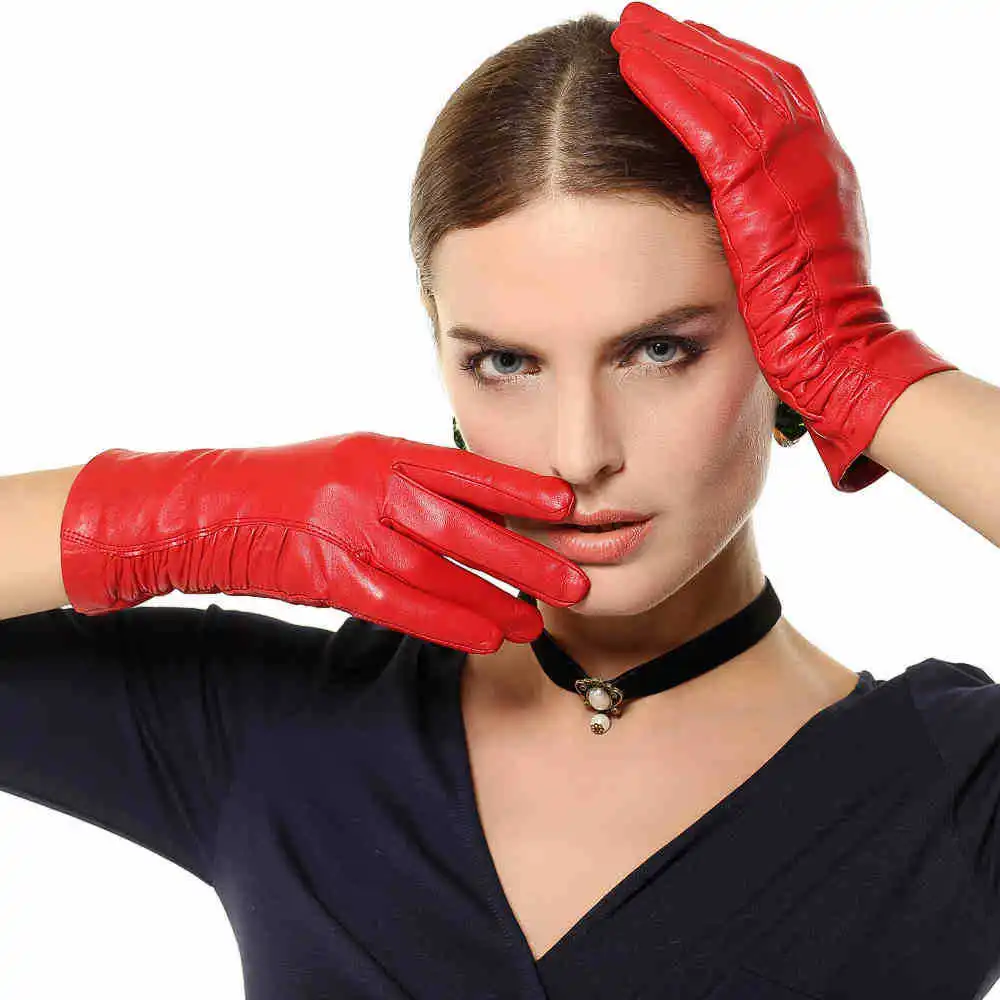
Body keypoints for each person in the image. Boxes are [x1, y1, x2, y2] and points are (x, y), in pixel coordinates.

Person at [2, 4, 999, 998]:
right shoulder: (284, 725)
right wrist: (186, 517)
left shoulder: (950, 783)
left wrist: (860, 364)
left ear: (781, 343)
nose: (581, 453)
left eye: (659, 349)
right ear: (440, 345)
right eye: (508, 363)